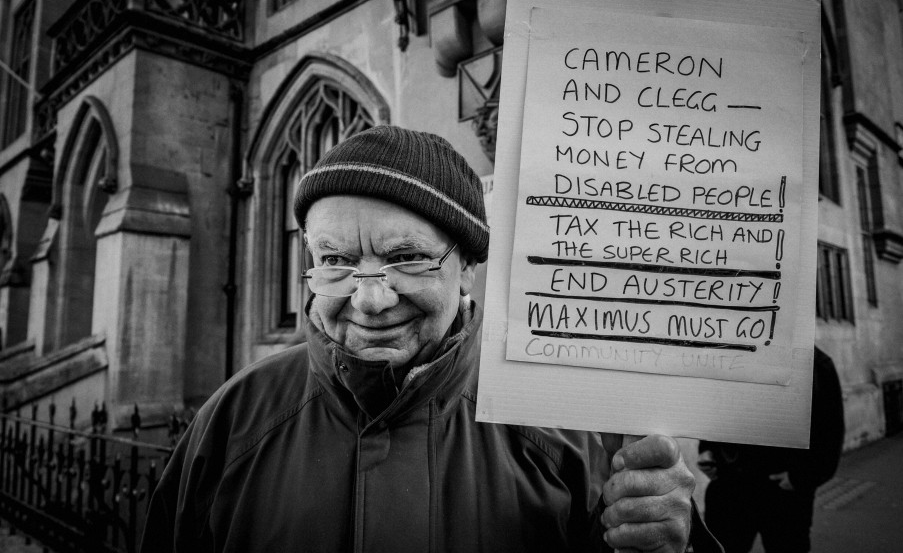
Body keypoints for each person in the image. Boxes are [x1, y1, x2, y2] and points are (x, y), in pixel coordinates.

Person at [141, 126, 721, 552]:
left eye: (407, 258)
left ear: (465, 265)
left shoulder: (564, 430)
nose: (370, 299)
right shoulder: (234, 419)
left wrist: (670, 546)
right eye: (335, 260)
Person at [697, 346, 844, 553]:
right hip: (730, 485)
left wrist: (801, 478)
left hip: (782, 492)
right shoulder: (732, 351)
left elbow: (830, 432)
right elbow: (715, 404)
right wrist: (708, 448)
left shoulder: (815, 363)